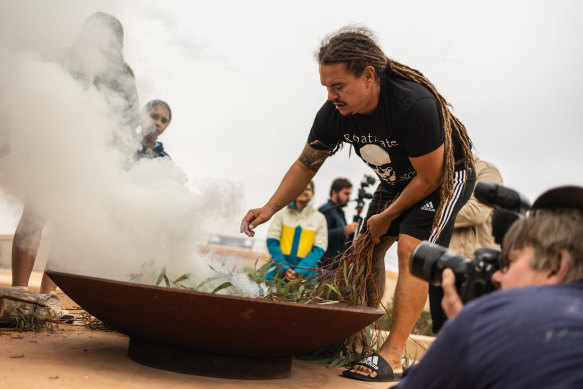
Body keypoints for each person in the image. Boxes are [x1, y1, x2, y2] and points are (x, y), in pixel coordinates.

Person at [240, 26, 475, 381]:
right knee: (365, 251)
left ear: (368, 76)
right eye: (326, 87)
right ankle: (354, 339)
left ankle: (394, 355)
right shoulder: (333, 113)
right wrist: (270, 207)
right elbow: (307, 164)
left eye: (338, 86)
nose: (331, 95)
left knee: (413, 249)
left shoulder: (414, 105)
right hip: (396, 179)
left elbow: (427, 179)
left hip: (443, 178)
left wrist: (386, 216)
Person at [10, 12, 139, 320]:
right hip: (54, 149)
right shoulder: (61, 59)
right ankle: (18, 295)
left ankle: (47, 299)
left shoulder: (123, 75)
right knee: (35, 215)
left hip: (92, 158)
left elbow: (130, 121)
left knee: (67, 226)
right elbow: (35, 99)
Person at [395, 185, 583, 388]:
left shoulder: (489, 320)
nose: (497, 277)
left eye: (509, 263)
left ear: (556, 265)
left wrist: (463, 331)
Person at [429, 157, 503, 331]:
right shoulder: (437, 172)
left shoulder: (487, 171)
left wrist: (428, 212)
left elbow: (476, 213)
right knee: (441, 331)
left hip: (473, 270)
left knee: (472, 332)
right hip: (439, 265)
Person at [265, 181, 328, 282]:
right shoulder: (282, 213)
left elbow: (319, 249)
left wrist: (299, 271)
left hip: (305, 277)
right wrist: (283, 267)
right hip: (277, 274)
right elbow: (272, 242)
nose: (303, 191)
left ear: (313, 193)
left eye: (307, 189)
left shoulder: (319, 218)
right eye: (300, 188)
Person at [318, 178, 359, 272]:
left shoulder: (340, 212)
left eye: (350, 194)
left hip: (335, 269)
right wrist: (344, 230)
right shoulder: (326, 210)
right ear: (334, 193)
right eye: (346, 193)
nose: (349, 197)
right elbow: (319, 235)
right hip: (323, 269)